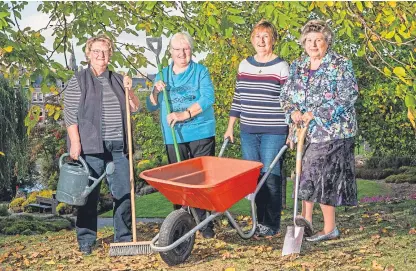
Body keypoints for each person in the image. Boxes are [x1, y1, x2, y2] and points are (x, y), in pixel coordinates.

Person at [280, 20, 358, 242]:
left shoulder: (340, 64)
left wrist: (316, 113)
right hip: (304, 132)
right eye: (309, 40)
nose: (313, 45)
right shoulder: (297, 66)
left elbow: (348, 95)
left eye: (319, 40)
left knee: (323, 177)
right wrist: (293, 112)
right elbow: (285, 97)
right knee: (305, 175)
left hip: (334, 131)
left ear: (327, 42)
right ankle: (306, 221)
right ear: (303, 42)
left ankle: (329, 227)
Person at [63, 34, 140, 255]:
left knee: (124, 192)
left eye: (105, 51)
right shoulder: (79, 80)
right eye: (96, 51)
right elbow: (69, 115)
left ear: (110, 54)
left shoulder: (117, 79)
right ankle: (86, 239)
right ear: (88, 54)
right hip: (90, 147)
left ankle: (123, 238)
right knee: (89, 196)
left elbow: (135, 107)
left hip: (118, 147)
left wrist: (130, 89)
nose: (100, 55)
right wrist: (75, 143)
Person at [146, 32, 216, 239]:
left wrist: (184, 114)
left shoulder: (200, 71)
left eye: (186, 48)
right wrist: (155, 91)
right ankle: (181, 223)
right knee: (178, 182)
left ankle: (205, 224)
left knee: (200, 180)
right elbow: (151, 105)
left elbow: (208, 98)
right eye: (177, 49)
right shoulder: (163, 74)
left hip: (200, 132)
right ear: (170, 51)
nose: (182, 53)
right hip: (174, 136)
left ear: (191, 50)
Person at [224, 20, 289, 237]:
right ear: (252, 40)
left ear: (273, 40)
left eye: (266, 36)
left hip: (274, 129)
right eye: (257, 37)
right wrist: (231, 126)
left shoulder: (281, 67)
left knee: (270, 174)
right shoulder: (244, 65)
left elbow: (289, 101)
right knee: (253, 176)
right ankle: (258, 221)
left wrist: (294, 130)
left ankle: (271, 224)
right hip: (248, 129)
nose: (261, 41)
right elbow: (238, 97)